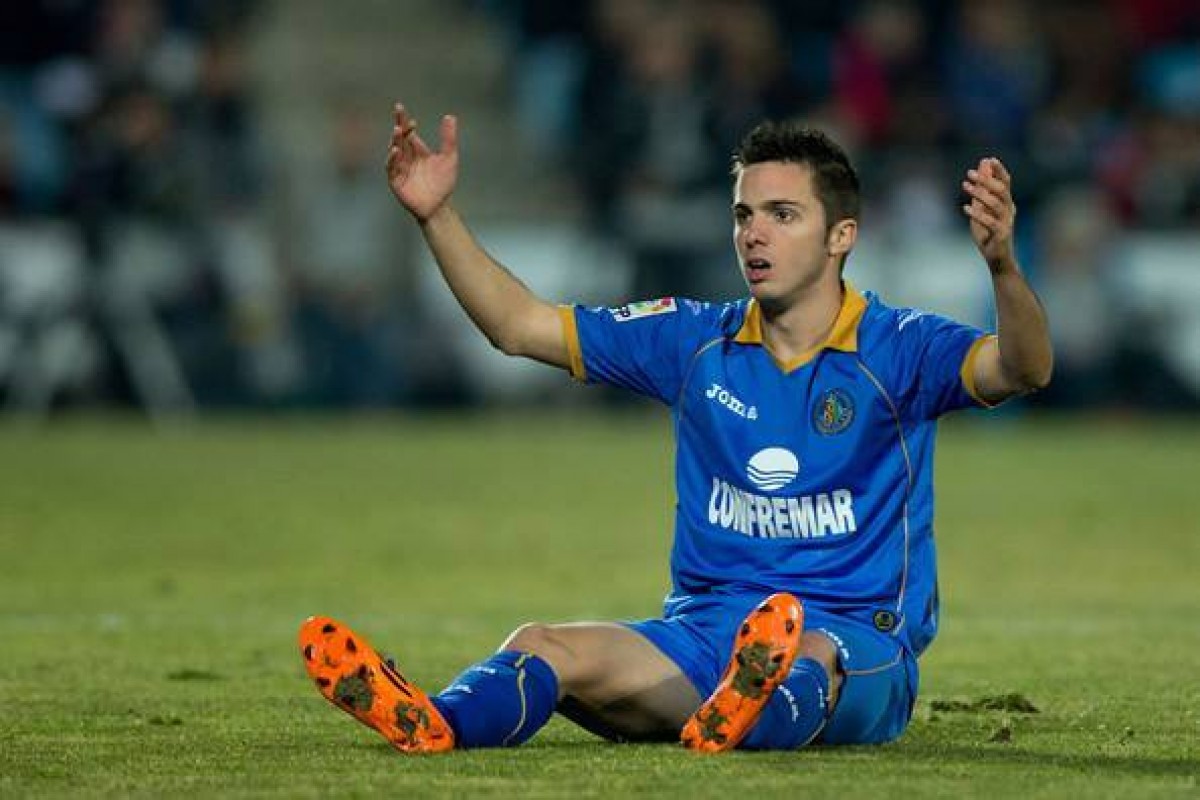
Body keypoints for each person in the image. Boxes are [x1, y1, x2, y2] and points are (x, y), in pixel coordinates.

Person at [298, 102, 1053, 753]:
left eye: (782, 215)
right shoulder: (693, 341)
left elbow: (1024, 368)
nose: (754, 235)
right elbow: (519, 326)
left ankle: (751, 709)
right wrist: (435, 215)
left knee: (810, 657)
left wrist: (1002, 269)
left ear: (840, 236)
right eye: (744, 215)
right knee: (541, 644)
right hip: (704, 636)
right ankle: (440, 721)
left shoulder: (900, 348)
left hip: (854, 638)